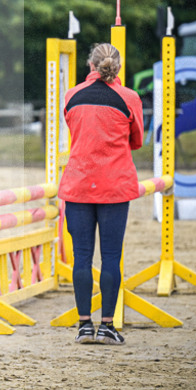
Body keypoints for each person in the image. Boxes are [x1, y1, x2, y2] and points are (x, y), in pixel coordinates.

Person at [59, 43, 144, 345]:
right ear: (118, 67)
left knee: (81, 256)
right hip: (114, 185)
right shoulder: (130, 98)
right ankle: (108, 325)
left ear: (90, 65)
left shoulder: (71, 96)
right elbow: (137, 141)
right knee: (111, 257)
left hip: (79, 184)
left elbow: (76, 132)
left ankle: (83, 325)